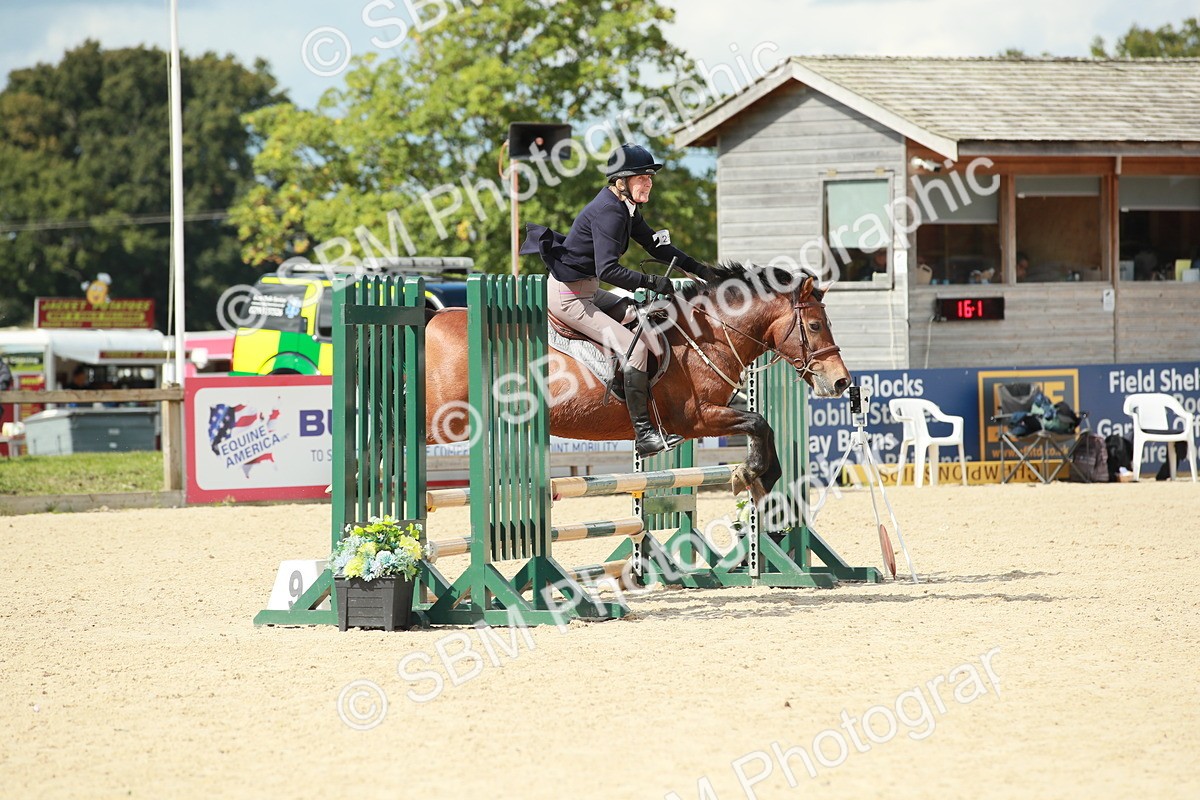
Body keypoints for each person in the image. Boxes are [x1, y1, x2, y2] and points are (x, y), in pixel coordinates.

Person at [521, 143, 706, 457]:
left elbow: (657, 247)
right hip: (569, 297)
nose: (648, 183)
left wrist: (701, 270)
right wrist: (651, 282)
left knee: (646, 319)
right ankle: (644, 435)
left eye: (649, 177)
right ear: (622, 181)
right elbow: (608, 269)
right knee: (637, 350)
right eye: (641, 177)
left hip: (587, 290)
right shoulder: (610, 212)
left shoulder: (626, 207)